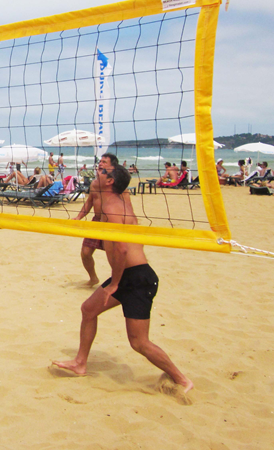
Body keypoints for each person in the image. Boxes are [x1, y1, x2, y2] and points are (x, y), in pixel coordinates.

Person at [53, 164, 193, 401]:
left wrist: (115, 283)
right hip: (128, 274)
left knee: (139, 342)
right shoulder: (113, 202)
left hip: (137, 278)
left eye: (103, 172)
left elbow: (121, 250)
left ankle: (182, 379)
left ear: (109, 182)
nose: (97, 173)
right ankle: (80, 363)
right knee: (88, 309)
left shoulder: (114, 207)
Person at [73, 153, 134, 287]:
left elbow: (127, 207)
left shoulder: (118, 186)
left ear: (113, 167)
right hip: (96, 221)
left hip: (112, 223)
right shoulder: (95, 184)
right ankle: (93, 278)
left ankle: (118, 282)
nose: (100, 163)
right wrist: (78, 217)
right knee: (85, 253)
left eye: (104, 162)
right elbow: (89, 202)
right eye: (100, 161)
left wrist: (130, 225)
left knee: (116, 256)